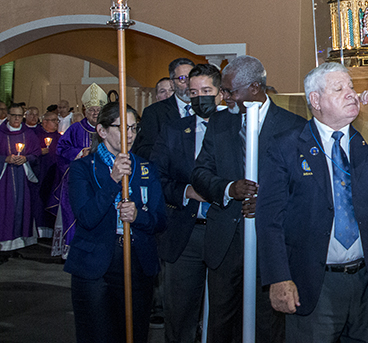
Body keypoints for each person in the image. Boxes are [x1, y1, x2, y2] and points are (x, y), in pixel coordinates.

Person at [258, 62, 368, 343]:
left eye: (351, 86)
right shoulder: (287, 145)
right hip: (315, 282)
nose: (351, 93)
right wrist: (278, 278)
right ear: (315, 100)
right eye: (339, 88)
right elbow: (270, 219)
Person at [192, 55, 304, 343]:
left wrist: (268, 202)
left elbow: (304, 186)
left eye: (230, 91)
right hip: (226, 243)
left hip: (270, 249)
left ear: (255, 88)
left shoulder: (293, 126)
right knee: (221, 324)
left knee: (266, 326)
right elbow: (200, 172)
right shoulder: (219, 123)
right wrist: (229, 188)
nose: (225, 97)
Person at [64, 101, 166, 343]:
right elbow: (87, 217)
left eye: (133, 128)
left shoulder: (145, 168)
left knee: (133, 333)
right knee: (97, 334)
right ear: (101, 130)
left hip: (137, 263)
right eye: (122, 127)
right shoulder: (82, 169)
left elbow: (160, 220)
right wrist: (113, 179)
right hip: (96, 265)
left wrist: (138, 217)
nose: (129, 135)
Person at [151, 64, 223, 343]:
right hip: (186, 232)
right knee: (180, 314)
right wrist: (187, 192)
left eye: (206, 91)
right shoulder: (173, 130)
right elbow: (157, 177)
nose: (199, 97)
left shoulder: (236, 128)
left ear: (219, 94)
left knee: (223, 313)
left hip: (224, 231)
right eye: (193, 92)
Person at [52, 83, 108, 258]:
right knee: (75, 213)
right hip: (78, 182)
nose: (94, 113)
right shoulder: (75, 128)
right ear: (85, 110)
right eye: (91, 109)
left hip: (101, 181)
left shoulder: (108, 129)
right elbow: (60, 149)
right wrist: (79, 152)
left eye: (98, 109)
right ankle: (72, 250)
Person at [133, 58, 194, 161]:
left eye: (191, 77)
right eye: (182, 78)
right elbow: (143, 150)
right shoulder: (154, 112)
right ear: (172, 83)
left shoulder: (206, 109)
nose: (188, 84)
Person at [0, 103, 41, 252]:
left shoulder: (28, 133)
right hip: (4, 180)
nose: (17, 118)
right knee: (5, 208)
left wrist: (26, 158)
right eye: (14, 115)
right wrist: (5, 159)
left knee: (22, 207)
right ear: (8, 116)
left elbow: (36, 153)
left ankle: (20, 242)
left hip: (23, 178)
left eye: (19, 116)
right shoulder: (0, 133)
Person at [35, 110, 62, 237]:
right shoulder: (36, 135)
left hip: (55, 176)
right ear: (44, 122)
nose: (57, 123)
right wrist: (39, 152)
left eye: (57, 120)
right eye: (54, 120)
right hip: (40, 174)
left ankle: (51, 230)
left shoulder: (60, 138)